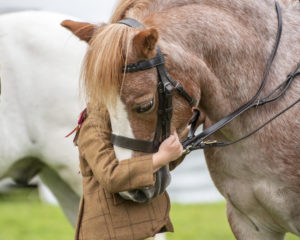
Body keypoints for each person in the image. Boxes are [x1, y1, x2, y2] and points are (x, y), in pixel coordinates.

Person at [73, 103, 184, 240]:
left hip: (141, 227)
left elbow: (161, 166)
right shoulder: (93, 125)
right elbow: (111, 177)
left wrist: (180, 140)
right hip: (110, 233)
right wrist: (161, 157)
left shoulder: (130, 117)